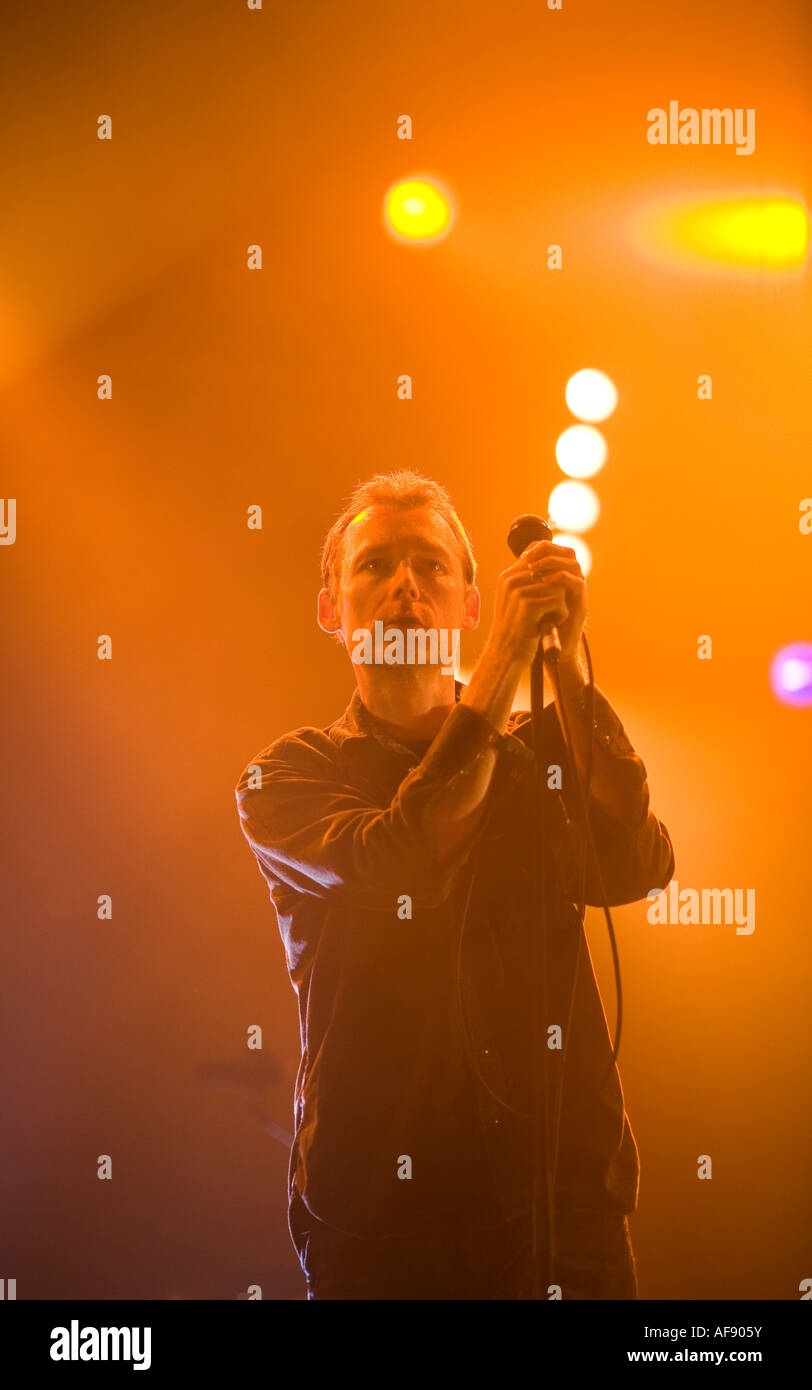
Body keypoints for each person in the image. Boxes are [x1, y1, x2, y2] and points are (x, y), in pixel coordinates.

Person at [235, 469, 675, 1299]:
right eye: (375, 565)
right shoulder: (288, 776)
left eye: (432, 566)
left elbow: (637, 862)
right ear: (332, 610)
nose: (405, 585)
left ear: (471, 605)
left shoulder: (536, 745)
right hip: (384, 1224)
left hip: (559, 1203)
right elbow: (407, 857)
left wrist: (568, 667)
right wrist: (506, 660)